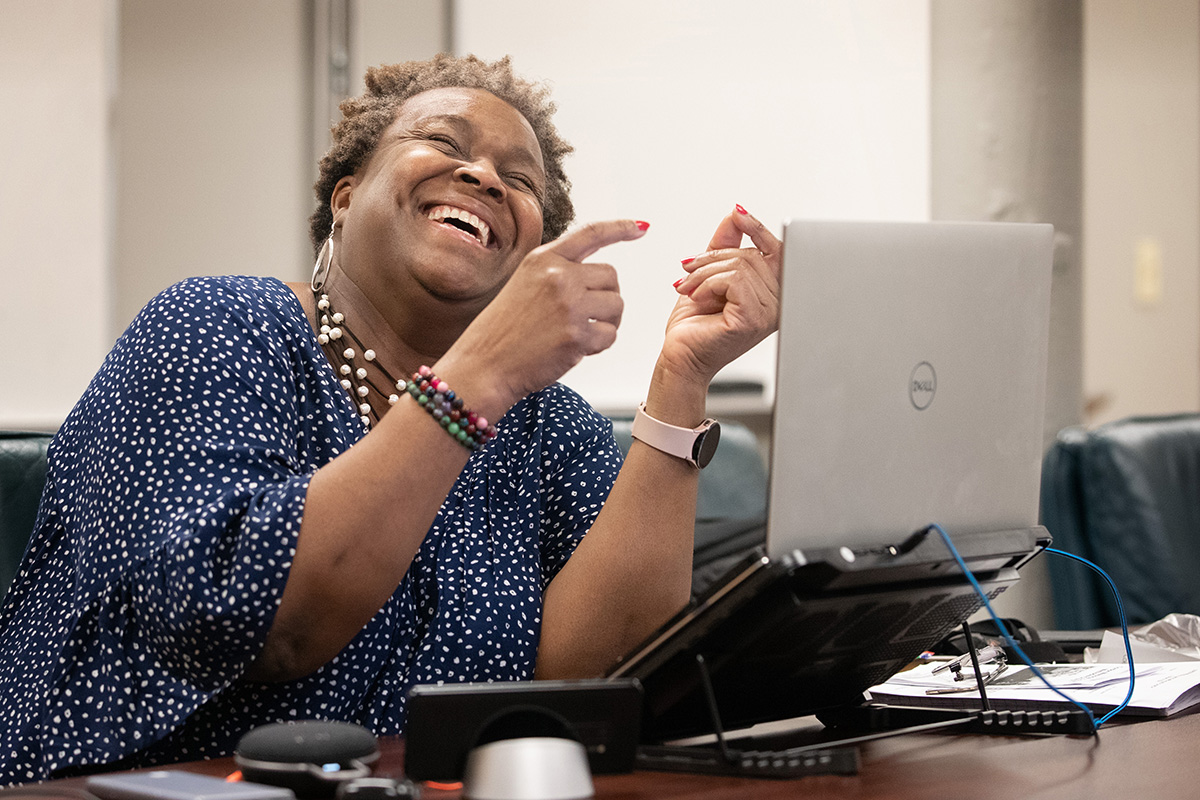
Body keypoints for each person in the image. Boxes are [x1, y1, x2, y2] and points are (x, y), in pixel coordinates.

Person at [0, 54, 780, 784]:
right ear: (344, 197)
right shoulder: (216, 325)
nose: (483, 176)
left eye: (521, 181)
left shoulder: (547, 425)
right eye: (444, 141)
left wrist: (684, 374)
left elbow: (607, 677)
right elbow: (271, 627)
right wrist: (480, 372)